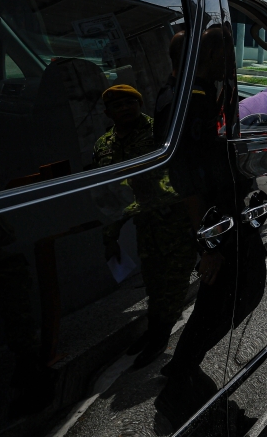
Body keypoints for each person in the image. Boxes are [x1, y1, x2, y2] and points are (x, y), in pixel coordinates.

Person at [96, 84, 196, 369]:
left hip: (174, 220)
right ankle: (154, 330)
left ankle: (161, 336)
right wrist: (110, 236)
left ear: (140, 104)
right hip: (145, 224)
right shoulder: (105, 145)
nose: (125, 108)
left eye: (131, 103)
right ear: (108, 112)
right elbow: (109, 193)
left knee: (174, 282)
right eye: (118, 105)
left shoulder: (159, 133)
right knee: (153, 282)